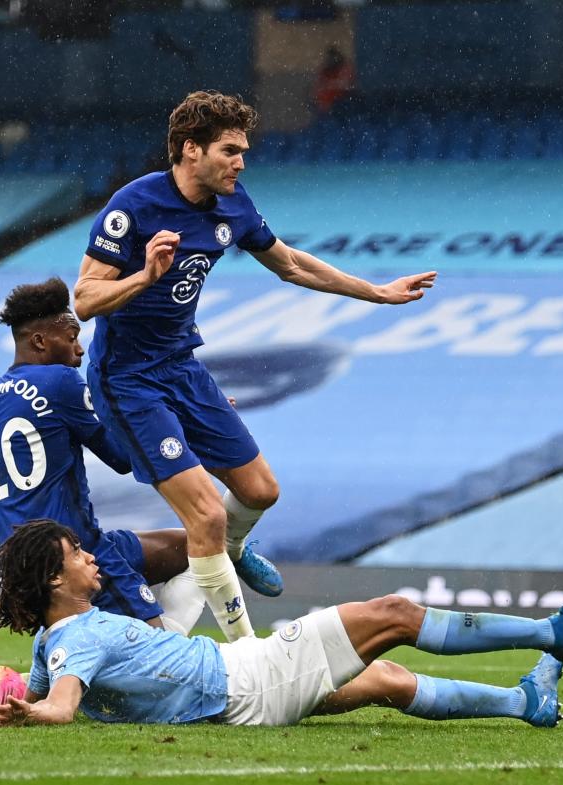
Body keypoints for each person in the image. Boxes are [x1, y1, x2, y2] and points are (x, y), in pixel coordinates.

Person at [73, 90, 437, 640]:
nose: (241, 162)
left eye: (243, 151)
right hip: (127, 380)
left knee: (260, 491)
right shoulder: (134, 206)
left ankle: (229, 555)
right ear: (190, 150)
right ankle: (246, 649)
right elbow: (83, 300)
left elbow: (290, 265)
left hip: (182, 368)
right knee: (207, 517)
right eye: (230, 150)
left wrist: (378, 293)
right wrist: (145, 277)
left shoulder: (234, 205)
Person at [0, 520, 563, 728]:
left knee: (387, 678)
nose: (89, 556)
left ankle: (523, 701)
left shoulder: (55, 640)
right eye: (76, 554)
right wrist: (35, 711)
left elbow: (44, 691)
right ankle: (554, 633)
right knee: (391, 615)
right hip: (247, 679)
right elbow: (61, 707)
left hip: (232, 697)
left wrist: (10, 697)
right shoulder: (77, 639)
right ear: (54, 581)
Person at [0, 278, 203, 632]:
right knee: (162, 662)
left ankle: (234, 555)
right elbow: (121, 458)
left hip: (21, 562)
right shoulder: (60, 381)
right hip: (74, 553)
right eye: (71, 338)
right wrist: (178, 425)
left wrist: (33, 463)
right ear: (40, 341)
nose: (80, 350)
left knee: (195, 547)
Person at [314, 45, 355, 117]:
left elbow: (345, 85)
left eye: (333, 58)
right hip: (326, 108)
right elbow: (319, 87)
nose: (331, 61)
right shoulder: (325, 71)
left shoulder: (344, 68)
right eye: (329, 59)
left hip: (342, 103)